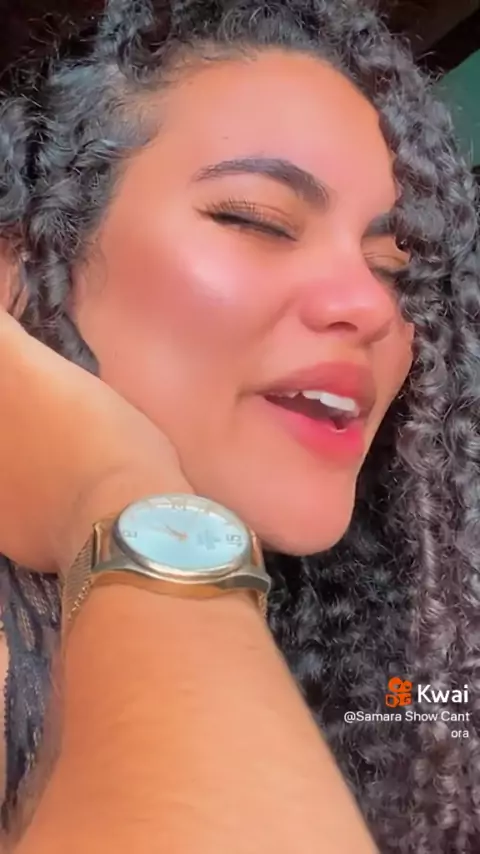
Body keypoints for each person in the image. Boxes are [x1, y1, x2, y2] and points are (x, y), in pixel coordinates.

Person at [0, 0, 478, 851]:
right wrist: (127, 491)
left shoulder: (393, 679)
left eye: (395, 268)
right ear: (19, 268)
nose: (372, 307)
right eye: (256, 220)